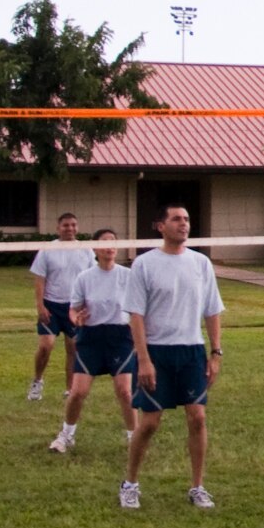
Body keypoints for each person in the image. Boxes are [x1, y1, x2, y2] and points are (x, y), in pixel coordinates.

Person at [122, 205, 226, 510]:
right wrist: (143, 359)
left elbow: (212, 310)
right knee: (150, 423)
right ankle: (130, 484)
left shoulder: (201, 263)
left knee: (198, 417)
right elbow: (136, 315)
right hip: (156, 352)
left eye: (187, 219)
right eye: (176, 219)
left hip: (191, 351)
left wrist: (216, 352)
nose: (184, 224)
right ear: (160, 226)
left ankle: (197, 486)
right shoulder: (144, 264)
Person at [54, 230, 137, 455]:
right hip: (91, 337)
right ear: (95, 248)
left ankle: (134, 438)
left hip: (120, 337)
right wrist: (76, 318)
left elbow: (139, 309)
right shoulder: (85, 278)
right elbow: (74, 308)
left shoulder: (128, 276)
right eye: (104, 243)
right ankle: (66, 435)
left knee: (125, 391)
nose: (109, 247)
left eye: (113, 242)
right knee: (78, 392)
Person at [27, 212, 95, 402]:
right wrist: (40, 306)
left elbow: (91, 279)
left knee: (73, 347)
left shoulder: (86, 250)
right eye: (66, 225)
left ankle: (70, 389)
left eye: (73, 225)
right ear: (58, 228)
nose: (70, 229)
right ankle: (37, 381)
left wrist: (86, 306)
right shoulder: (48, 250)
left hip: (74, 307)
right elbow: (40, 279)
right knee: (46, 345)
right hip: (52, 306)